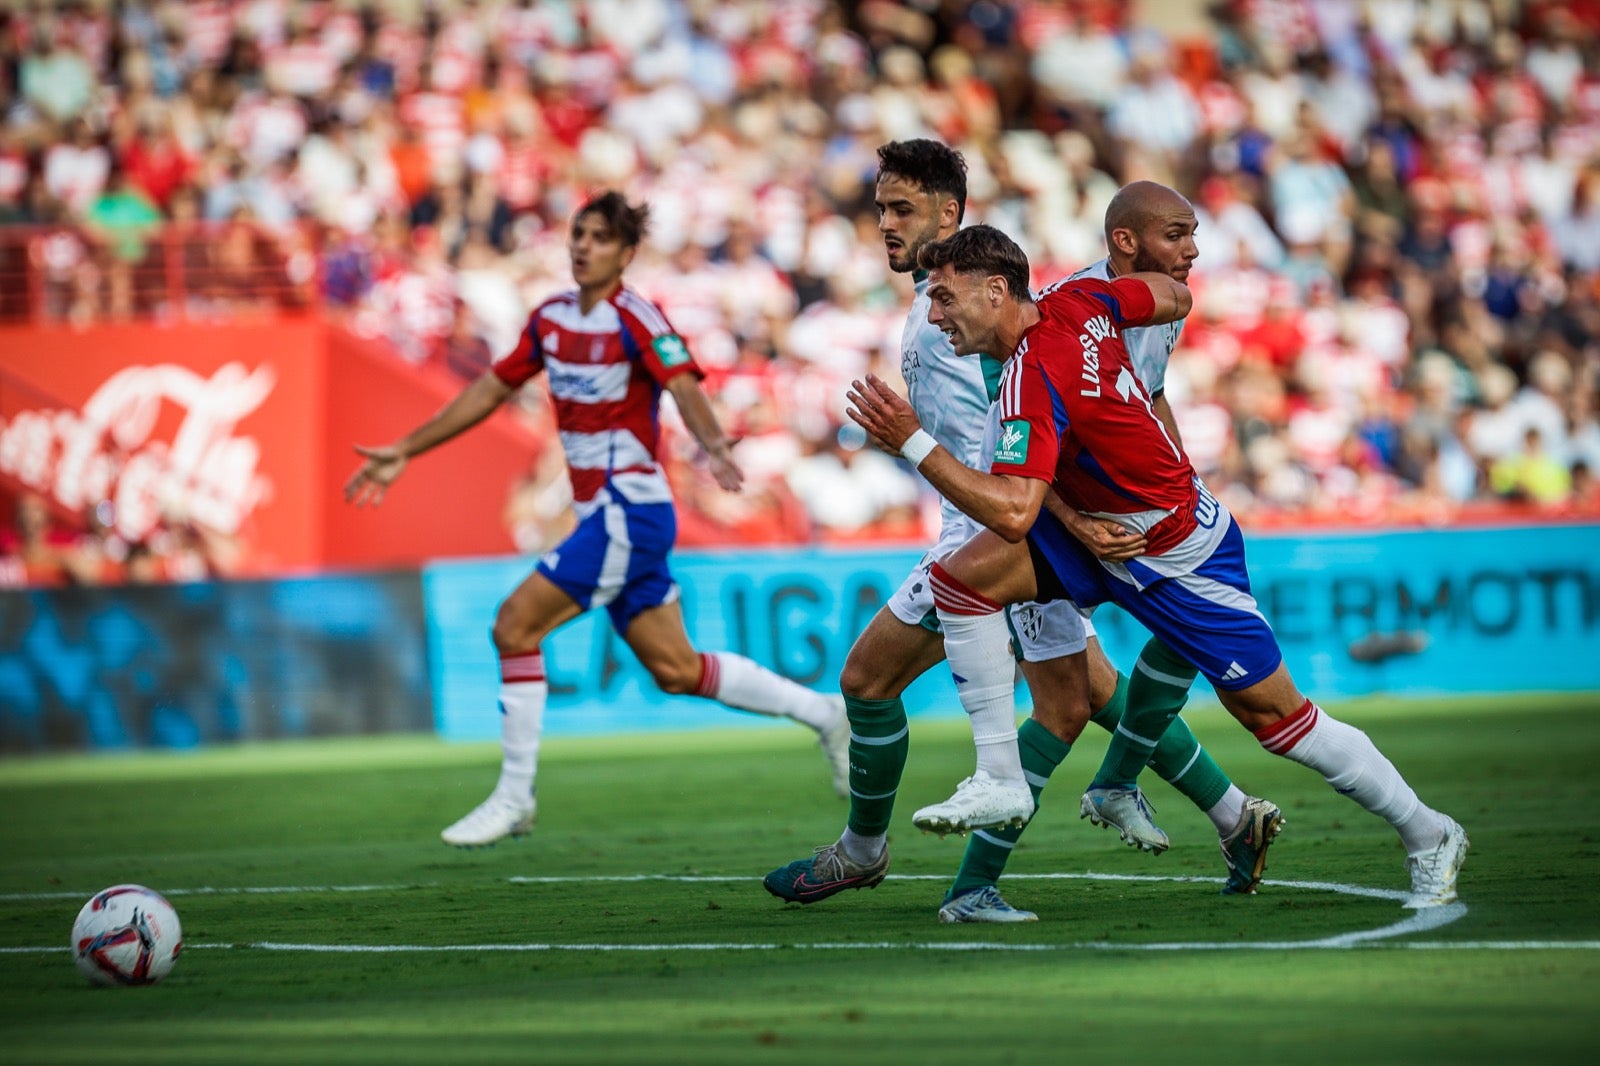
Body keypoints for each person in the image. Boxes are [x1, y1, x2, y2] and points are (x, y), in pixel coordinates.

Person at [846, 224, 1467, 910]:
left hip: (1175, 555)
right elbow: (1173, 295)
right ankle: (1000, 776)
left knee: (1278, 722)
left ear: (997, 291)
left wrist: (911, 442)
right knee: (960, 578)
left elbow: (1015, 512)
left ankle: (1428, 831)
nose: (935, 316)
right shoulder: (1079, 296)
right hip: (1099, 538)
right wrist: (1161, 299)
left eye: (945, 297)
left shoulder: (1029, 374)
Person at [763, 142, 1278, 922]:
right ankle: (1235, 815)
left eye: (901, 209)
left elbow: (1038, 431)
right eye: (879, 211)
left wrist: (1063, 517)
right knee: (1077, 694)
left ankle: (901, 863)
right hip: (991, 524)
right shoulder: (940, 301)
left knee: (912, 685)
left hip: (1007, 531)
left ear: (948, 211)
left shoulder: (978, 309)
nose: (885, 225)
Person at [346, 191, 850, 847]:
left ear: (626, 253)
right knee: (676, 668)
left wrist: (715, 443)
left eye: (600, 237)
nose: (584, 246)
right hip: (607, 513)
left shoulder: (636, 317)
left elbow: (684, 385)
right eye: (578, 234)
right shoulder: (550, 318)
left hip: (628, 509)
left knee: (514, 625)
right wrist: (407, 449)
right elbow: (491, 389)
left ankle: (515, 795)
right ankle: (825, 714)